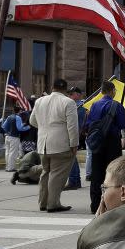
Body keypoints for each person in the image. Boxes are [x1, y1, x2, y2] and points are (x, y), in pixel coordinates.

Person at [29, 79, 79, 213]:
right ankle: (53, 203)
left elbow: (32, 121)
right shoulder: (68, 102)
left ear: (52, 87)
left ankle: (43, 202)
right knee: (57, 175)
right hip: (61, 144)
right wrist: (74, 144)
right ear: (65, 89)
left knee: (45, 172)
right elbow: (72, 126)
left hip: (42, 143)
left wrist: (45, 126)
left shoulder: (40, 101)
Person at [84, 81, 125, 214]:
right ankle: (111, 204)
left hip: (97, 142)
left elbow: (88, 124)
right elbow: (123, 124)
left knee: (96, 174)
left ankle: (94, 205)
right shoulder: (116, 105)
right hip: (112, 141)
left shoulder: (94, 105)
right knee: (113, 173)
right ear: (113, 91)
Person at [66, 87, 86, 191]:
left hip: (73, 134)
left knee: (71, 158)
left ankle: (73, 181)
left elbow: (77, 123)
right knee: (73, 158)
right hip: (74, 134)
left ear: (78, 94)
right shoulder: (75, 105)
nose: (69, 96)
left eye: (72, 94)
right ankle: (76, 180)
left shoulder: (80, 107)